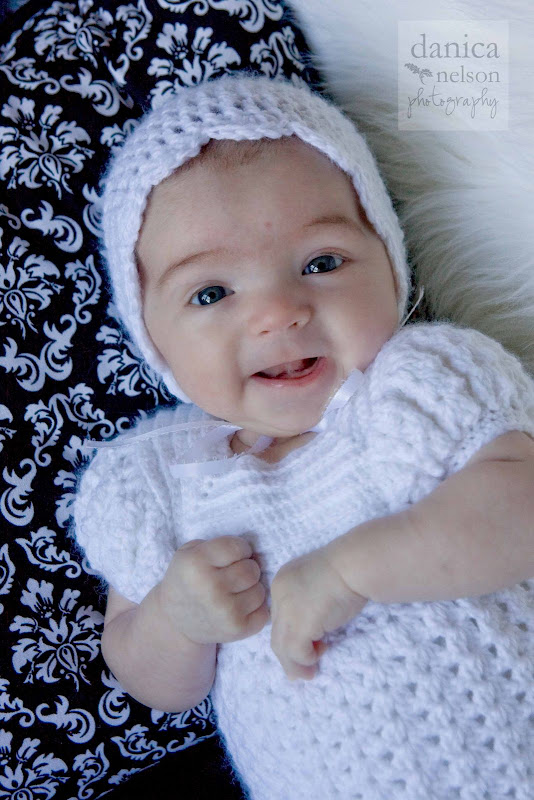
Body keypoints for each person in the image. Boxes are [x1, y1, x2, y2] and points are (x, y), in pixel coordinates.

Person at [71, 72, 534, 800]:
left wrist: (353, 572)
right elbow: (149, 678)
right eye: (211, 293)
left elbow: (521, 508)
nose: (278, 312)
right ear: (152, 339)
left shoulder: (416, 389)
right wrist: (176, 619)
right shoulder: (159, 484)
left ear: (391, 268)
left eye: (322, 263)